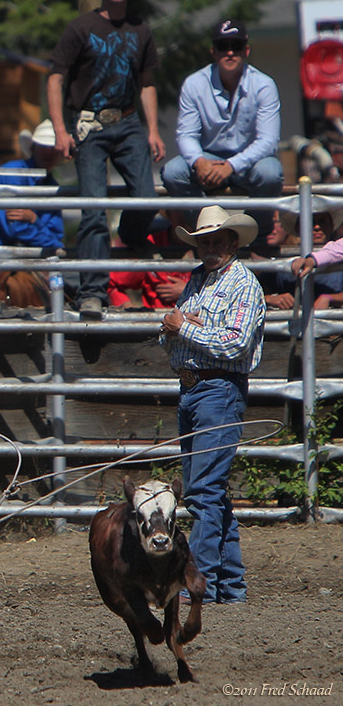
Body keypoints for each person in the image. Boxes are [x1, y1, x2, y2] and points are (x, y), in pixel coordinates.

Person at [46, 0, 165, 321]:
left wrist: (154, 130)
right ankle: (92, 292)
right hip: (89, 124)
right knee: (94, 210)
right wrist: (60, 130)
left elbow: (146, 83)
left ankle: (129, 240)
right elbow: (55, 78)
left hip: (129, 121)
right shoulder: (80, 28)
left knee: (146, 197)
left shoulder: (141, 29)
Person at [160, 205, 265, 604]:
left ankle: (196, 584)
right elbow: (170, 332)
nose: (211, 246)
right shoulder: (198, 280)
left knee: (203, 491)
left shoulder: (244, 283)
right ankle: (230, 587)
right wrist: (181, 328)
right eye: (204, 241)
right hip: (194, 389)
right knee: (210, 493)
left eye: (218, 240)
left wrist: (184, 326)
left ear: (232, 242)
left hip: (218, 390)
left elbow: (234, 343)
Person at [161, 19, 283, 239]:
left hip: (249, 162)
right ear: (213, 51)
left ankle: (255, 237)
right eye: (222, 46)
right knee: (172, 172)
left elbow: (268, 141)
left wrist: (231, 166)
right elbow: (186, 134)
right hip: (208, 159)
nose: (229, 52)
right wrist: (198, 161)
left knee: (270, 173)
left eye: (235, 46)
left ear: (246, 50)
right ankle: (209, 234)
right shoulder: (194, 83)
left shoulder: (264, 85)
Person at [0, 119, 64, 254]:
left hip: (28, 253)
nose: (49, 153)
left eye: (53, 148)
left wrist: (33, 219)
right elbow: (17, 228)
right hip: (1, 251)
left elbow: (57, 237)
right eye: (44, 147)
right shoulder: (13, 173)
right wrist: (43, 231)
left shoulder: (53, 185)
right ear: (33, 148)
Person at [281, 208, 343, 309]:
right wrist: (272, 298)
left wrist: (331, 298)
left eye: (322, 222)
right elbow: (262, 290)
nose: (317, 227)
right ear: (298, 227)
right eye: (310, 222)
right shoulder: (283, 259)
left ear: (331, 226)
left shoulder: (339, 257)